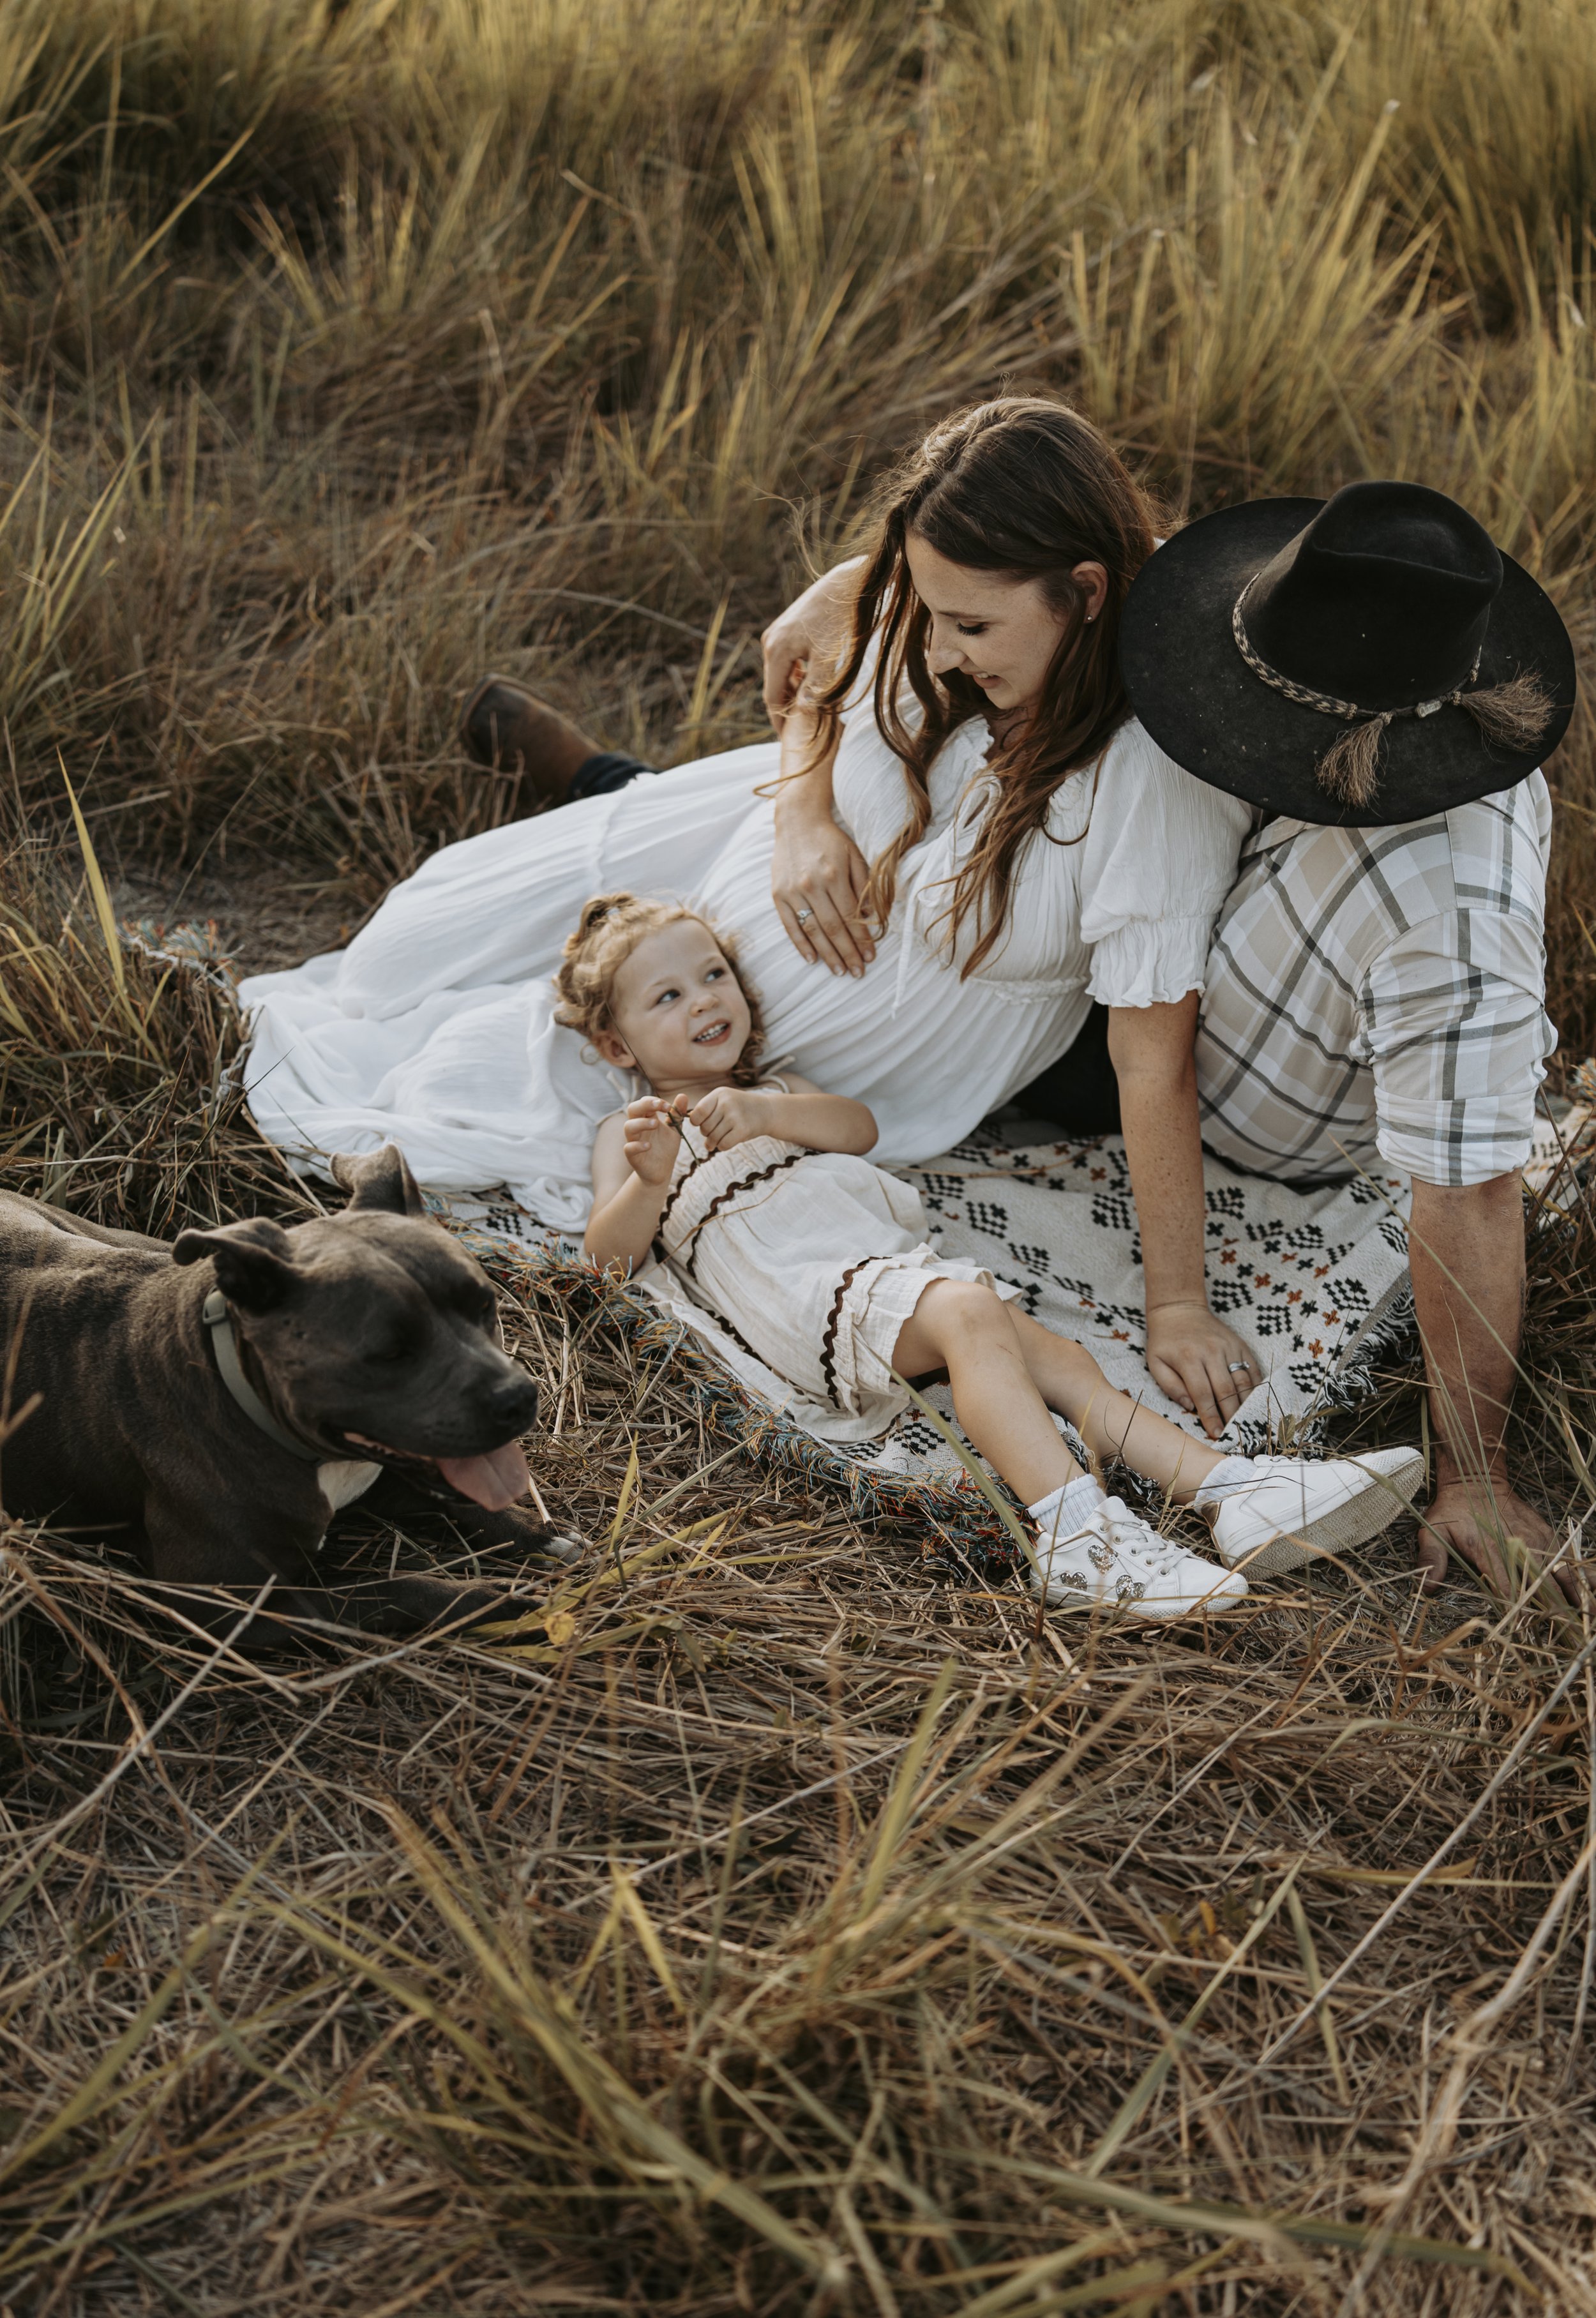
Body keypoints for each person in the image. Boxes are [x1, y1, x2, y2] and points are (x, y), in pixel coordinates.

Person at [243, 399, 1264, 1434]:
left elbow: (1150, 1056)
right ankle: (597, 783)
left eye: (971, 627)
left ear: (1087, 594)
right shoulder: (964, 587)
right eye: (932, 613)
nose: (944, 652)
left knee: (415, 1079)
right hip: (722, 862)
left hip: (780, 1062)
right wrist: (808, 810)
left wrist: (1179, 1304)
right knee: (399, 950)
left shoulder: (1150, 779)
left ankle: (580, 769)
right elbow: (822, 690)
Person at [765, 478, 1580, 1598]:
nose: (1214, 710)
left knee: (956, 944)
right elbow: (1057, 548)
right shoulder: (1334, 634)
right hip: (1139, 955)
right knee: (905, 826)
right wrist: (847, 595)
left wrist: (1474, 1473)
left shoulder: (1453, 921)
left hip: (1204, 1086)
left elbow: (1475, 1190)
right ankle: (607, 788)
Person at [559, 890, 1424, 1618]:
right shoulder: (634, 1134)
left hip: (891, 1270)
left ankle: (1230, 1489)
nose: (703, 999)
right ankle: (1075, 1532)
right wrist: (649, 1182)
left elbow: (856, 1129)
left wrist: (764, 1112)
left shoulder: (774, 1090)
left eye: (712, 974)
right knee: (975, 1314)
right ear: (617, 1047)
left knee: (1055, 1356)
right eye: (666, 997)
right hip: (809, 1297)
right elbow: (607, 1260)